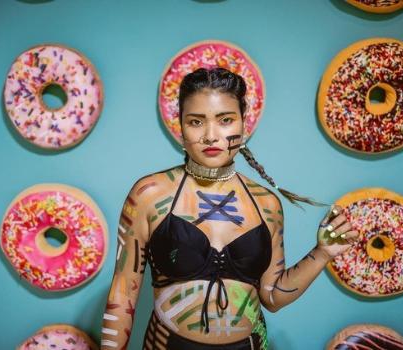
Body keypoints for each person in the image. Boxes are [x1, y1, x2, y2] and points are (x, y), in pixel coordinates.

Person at [100, 67, 360, 350]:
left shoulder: (266, 204)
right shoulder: (149, 195)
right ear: (181, 127)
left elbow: (272, 297)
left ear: (243, 124)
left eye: (225, 120)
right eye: (196, 122)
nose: (211, 135)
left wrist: (322, 254)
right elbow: (123, 293)